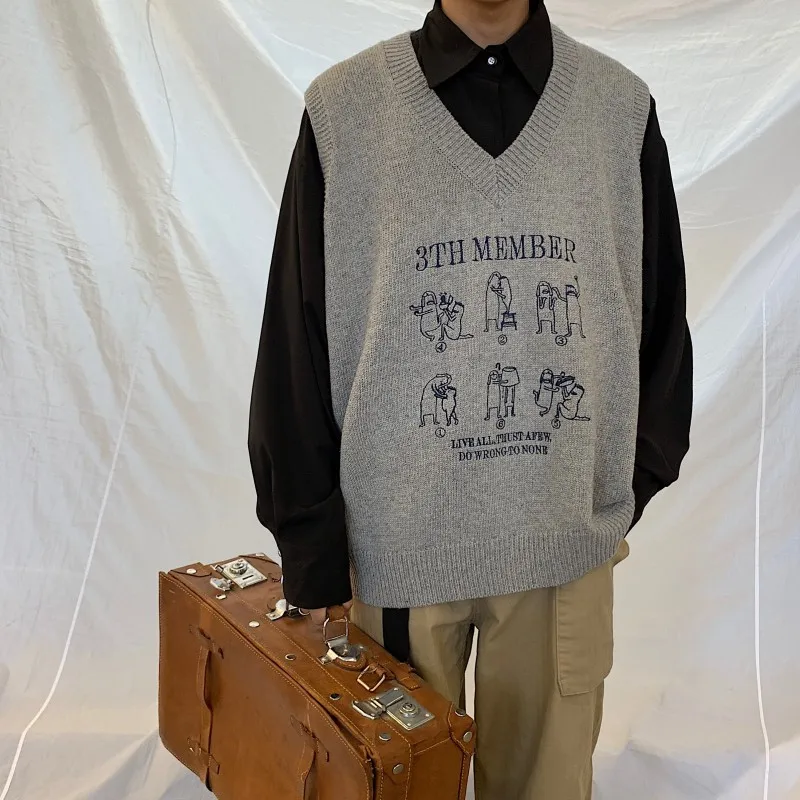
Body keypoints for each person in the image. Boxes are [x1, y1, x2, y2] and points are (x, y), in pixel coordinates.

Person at [248, 1, 693, 797]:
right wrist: (311, 556)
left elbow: (659, 322)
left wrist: (615, 491)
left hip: (563, 554)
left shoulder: (617, 110)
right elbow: (296, 339)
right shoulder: (344, 112)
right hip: (394, 562)